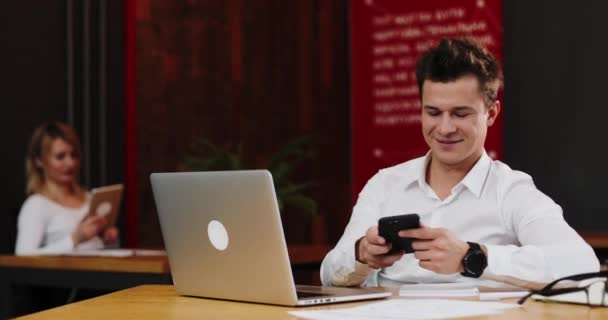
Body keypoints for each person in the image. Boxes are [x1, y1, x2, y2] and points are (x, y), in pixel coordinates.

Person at [321, 38, 599, 288]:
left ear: (491, 113)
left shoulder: (510, 190)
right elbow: (329, 274)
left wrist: (472, 257)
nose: (444, 128)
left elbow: (581, 264)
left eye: (460, 114)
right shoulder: (385, 184)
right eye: (433, 112)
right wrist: (361, 255)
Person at [15, 122, 119, 255]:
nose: (70, 163)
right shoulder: (37, 205)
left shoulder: (89, 198)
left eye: (74, 155)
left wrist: (109, 240)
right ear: (39, 160)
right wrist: (74, 240)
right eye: (60, 156)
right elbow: (23, 257)